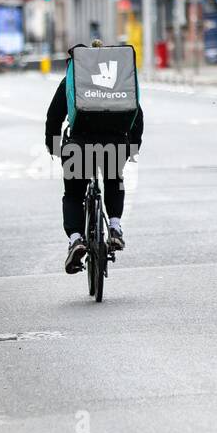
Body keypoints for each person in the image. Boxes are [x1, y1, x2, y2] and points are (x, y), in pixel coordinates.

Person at [44, 46, 144, 274]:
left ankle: (77, 239)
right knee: (114, 180)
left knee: (73, 194)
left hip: (78, 146)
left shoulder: (73, 79)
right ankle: (116, 228)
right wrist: (132, 147)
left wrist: (53, 145)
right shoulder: (120, 78)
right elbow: (136, 114)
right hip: (114, 143)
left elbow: (54, 116)